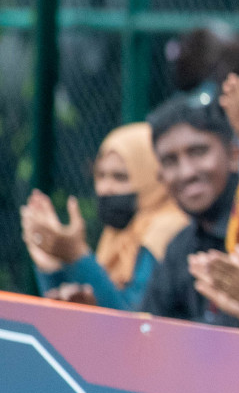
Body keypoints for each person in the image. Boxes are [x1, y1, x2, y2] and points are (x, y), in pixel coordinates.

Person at [22, 124, 188, 310]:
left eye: (120, 177)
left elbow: (132, 324)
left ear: (155, 177)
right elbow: (74, 317)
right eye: (100, 175)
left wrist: (77, 255)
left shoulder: (167, 229)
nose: (105, 188)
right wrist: (52, 266)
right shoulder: (117, 235)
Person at [136, 92, 239, 324]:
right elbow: (146, 332)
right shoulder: (180, 249)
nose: (186, 172)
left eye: (198, 152)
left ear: (234, 156)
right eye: (170, 161)